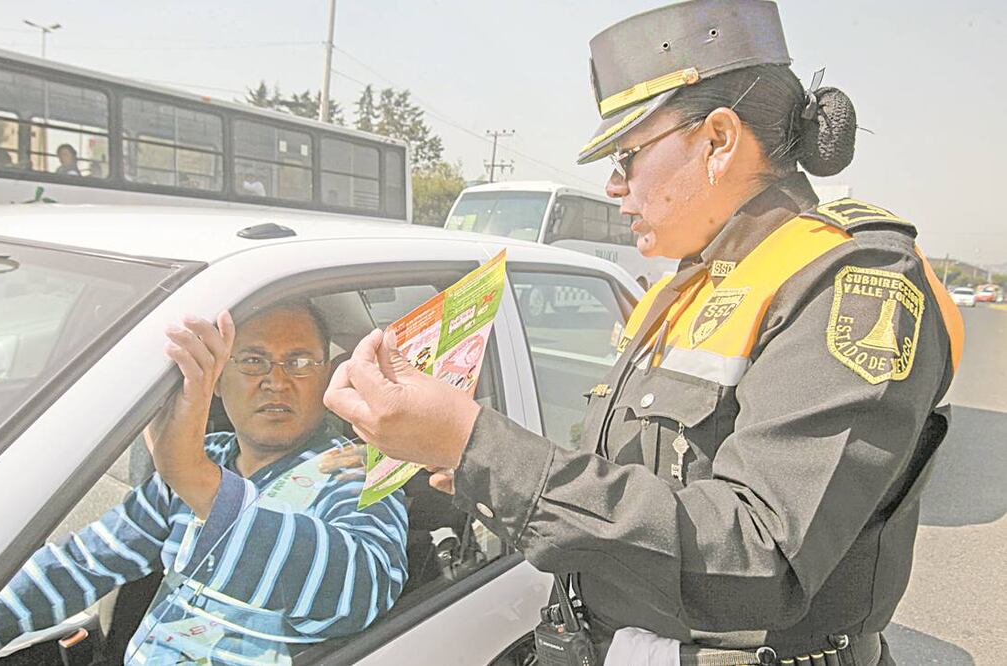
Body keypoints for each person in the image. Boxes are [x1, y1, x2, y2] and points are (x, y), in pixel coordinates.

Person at [322, 1, 964, 664]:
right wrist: (478, 462)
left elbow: (759, 558)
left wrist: (475, 441)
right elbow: (631, 476)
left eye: (629, 155)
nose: (613, 184)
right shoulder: (686, 286)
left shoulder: (848, 283)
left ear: (718, 140)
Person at [0, 303, 408, 664]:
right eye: (253, 361)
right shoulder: (208, 457)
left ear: (327, 375)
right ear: (218, 381)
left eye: (298, 362)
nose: (276, 382)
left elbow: (358, 594)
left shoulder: (356, 467)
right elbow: (84, 563)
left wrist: (199, 483)